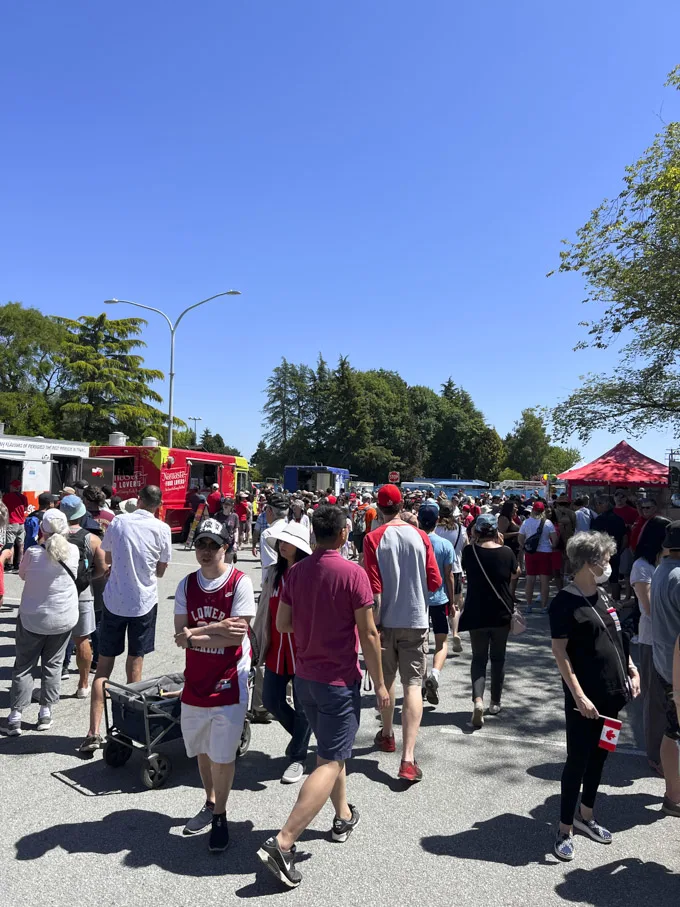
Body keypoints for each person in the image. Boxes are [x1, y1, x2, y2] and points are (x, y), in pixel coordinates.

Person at [257, 505, 389, 889]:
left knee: (331, 751)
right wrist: (380, 684)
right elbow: (369, 634)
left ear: (313, 534)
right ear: (346, 533)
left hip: (305, 678)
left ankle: (343, 814)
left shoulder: (296, 573)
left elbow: (282, 623)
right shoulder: (354, 574)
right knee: (331, 760)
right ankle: (284, 841)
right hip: (337, 679)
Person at [550, 531, 640, 861]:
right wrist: (578, 696)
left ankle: (586, 815)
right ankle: (564, 829)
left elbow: (616, 639)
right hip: (585, 701)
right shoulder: (564, 602)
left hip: (613, 697)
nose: (609, 564)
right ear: (590, 562)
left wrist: (631, 668)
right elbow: (560, 652)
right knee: (577, 760)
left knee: (602, 755)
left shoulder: (602, 596)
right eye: (605, 558)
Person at [173, 518, 256, 851]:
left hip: (230, 680)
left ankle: (220, 815)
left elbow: (237, 635)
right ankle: (210, 802)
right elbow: (181, 637)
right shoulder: (186, 585)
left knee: (223, 755)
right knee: (203, 750)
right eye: (201, 545)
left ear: (226, 548)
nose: (206, 551)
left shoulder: (240, 583)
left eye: (213, 545)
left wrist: (196, 632)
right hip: (196, 679)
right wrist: (207, 632)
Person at [78, 485, 172, 753]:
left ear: (139, 501)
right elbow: (162, 571)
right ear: (158, 505)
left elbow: (107, 558)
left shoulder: (119, 521)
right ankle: (129, 727)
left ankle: (93, 732)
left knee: (104, 668)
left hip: (114, 601)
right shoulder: (162, 529)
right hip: (143, 603)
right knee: (135, 667)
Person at [364, 484, 441, 782]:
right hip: (416, 619)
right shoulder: (421, 537)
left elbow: (373, 588)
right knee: (412, 684)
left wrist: (374, 625)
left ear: (379, 508)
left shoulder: (373, 538)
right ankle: (408, 759)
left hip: (384, 622)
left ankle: (387, 734)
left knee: (386, 681)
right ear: (401, 505)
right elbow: (434, 582)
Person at [4, 509, 79, 735]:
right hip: (63, 618)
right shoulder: (73, 551)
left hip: (33, 617)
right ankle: (45, 712)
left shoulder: (33, 552)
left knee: (24, 666)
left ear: (42, 530)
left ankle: (15, 716)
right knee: (53, 666)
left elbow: (23, 575)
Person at [253, 521, 313, 784]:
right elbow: (264, 609)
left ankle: (297, 757)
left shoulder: (309, 573)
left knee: (303, 707)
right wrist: (255, 641)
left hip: (302, 650)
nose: (282, 545)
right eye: (280, 541)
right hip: (276, 649)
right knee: (271, 700)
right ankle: (300, 739)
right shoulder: (273, 572)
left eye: (288, 541)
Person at [459, 513, 519, 728]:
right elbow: (515, 573)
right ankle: (495, 702)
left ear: (476, 531)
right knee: (498, 658)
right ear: (496, 531)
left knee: (478, 659)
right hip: (501, 612)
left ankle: (478, 700)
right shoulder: (507, 552)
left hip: (476, 611)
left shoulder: (469, 551)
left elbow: (467, 569)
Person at [59, 495, 106, 698]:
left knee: (55, 640)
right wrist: (88, 577)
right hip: (83, 592)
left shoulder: (52, 537)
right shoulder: (92, 538)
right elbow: (103, 568)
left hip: (58, 591)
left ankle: (52, 684)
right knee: (83, 640)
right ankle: (83, 684)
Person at [649, 521, 680, 817]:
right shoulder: (678, 577)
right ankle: (674, 795)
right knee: (675, 731)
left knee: (673, 730)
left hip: (663, 660)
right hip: (675, 666)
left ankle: (674, 793)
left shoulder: (662, 569)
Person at [631, 532, 666, 774]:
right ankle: (655, 754)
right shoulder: (642, 566)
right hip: (651, 639)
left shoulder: (665, 565)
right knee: (654, 699)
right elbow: (649, 607)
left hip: (669, 640)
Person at [418, 504, 454, 707]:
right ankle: (435, 674)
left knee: (421, 643)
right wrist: (453, 599)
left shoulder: (414, 543)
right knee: (441, 642)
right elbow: (449, 575)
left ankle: (423, 680)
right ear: (437, 520)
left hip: (418, 600)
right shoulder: (444, 544)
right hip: (439, 599)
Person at [436, 502, 468, 651]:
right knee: (455, 603)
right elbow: (466, 547)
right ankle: (455, 632)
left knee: (437, 603)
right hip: (455, 569)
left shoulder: (435, 529)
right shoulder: (461, 529)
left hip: (436, 569)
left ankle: (440, 634)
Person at [519, 501, 558, 613]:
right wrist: (552, 546)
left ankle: (529, 605)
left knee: (530, 579)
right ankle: (544, 607)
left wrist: (525, 547)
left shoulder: (526, 522)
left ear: (532, 510)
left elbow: (520, 539)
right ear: (543, 511)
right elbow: (554, 540)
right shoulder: (548, 523)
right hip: (545, 552)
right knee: (544, 581)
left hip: (531, 553)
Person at [592, 494, 627, 601]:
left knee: (598, 580)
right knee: (614, 580)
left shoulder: (598, 520)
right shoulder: (619, 519)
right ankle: (616, 603)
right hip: (615, 553)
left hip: (600, 554)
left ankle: (599, 603)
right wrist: (619, 551)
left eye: (599, 503)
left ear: (605, 504)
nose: (597, 506)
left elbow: (592, 538)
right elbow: (625, 538)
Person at [497, 500, 521, 601]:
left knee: (515, 572)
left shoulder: (513, 518)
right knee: (509, 573)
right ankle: (506, 595)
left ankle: (512, 595)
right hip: (507, 548)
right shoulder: (504, 519)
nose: (517, 508)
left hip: (515, 548)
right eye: (515, 507)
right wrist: (517, 533)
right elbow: (501, 534)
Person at [3, 479, 28, 571]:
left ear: (13, 487)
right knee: (21, 544)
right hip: (21, 523)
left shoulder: (7, 497)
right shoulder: (23, 497)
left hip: (12, 522)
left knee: (10, 544)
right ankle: (18, 564)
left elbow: (3, 508)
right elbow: (25, 508)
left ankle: (9, 565)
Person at [213, 497, 240, 563]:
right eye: (224, 504)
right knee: (219, 563)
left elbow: (236, 531)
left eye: (228, 504)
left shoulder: (234, 516)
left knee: (227, 565)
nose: (225, 505)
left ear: (231, 506)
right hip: (219, 543)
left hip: (230, 543)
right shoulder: (217, 515)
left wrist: (235, 543)